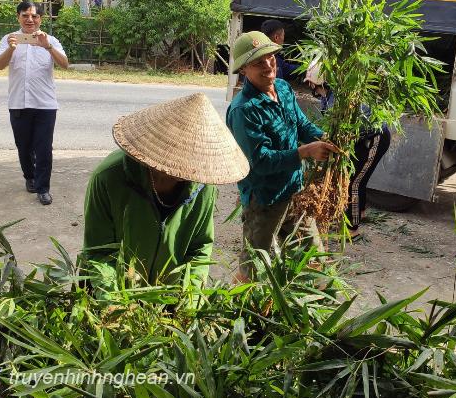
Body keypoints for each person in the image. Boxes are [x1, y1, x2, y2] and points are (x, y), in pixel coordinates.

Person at [82, 93, 250, 287]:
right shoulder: (109, 178)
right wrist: (114, 302)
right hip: (115, 291)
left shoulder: (203, 184)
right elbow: (98, 252)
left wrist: (190, 296)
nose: (189, 169)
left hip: (170, 295)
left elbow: (199, 247)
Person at [227, 31, 337, 281]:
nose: (268, 66)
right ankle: (234, 311)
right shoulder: (243, 110)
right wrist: (305, 152)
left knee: (312, 259)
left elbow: (300, 124)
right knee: (255, 268)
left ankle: (309, 309)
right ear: (244, 70)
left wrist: (323, 136)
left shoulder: (284, 89)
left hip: (294, 191)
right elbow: (261, 161)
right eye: (258, 63)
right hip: (263, 199)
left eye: (271, 58)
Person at [0, 0, 69, 206]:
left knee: (44, 148)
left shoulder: (50, 40)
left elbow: (65, 64)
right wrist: (10, 49)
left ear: (40, 19)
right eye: (25, 15)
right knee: (23, 146)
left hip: (45, 105)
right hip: (18, 103)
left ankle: (43, 188)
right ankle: (30, 177)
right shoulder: (9, 39)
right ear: (18, 17)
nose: (30, 19)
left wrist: (48, 47)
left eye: (34, 16)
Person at [304, 61, 391, 236]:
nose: (309, 85)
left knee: (354, 181)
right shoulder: (327, 97)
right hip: (360, 139)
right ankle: (360, 212)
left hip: (375, 138)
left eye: (310, 81)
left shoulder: (336, 101)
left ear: (315, 82)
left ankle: (352, 228)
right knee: (357, 177)